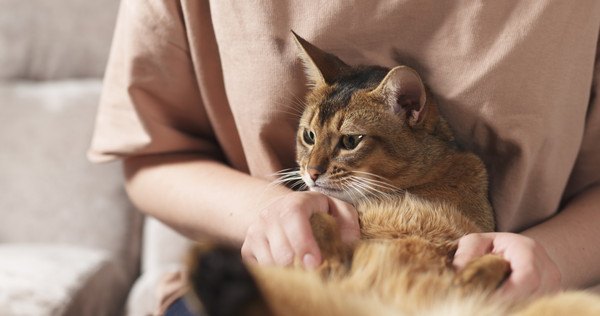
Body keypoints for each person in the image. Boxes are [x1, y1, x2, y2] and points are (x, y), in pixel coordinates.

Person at [89, 0, 600, 314]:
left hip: (504, 295)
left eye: (345, 143)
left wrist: (550, 258)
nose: (312, 171)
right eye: (310, 142)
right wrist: (263, 214)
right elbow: (153, 152)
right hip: (291, 282)